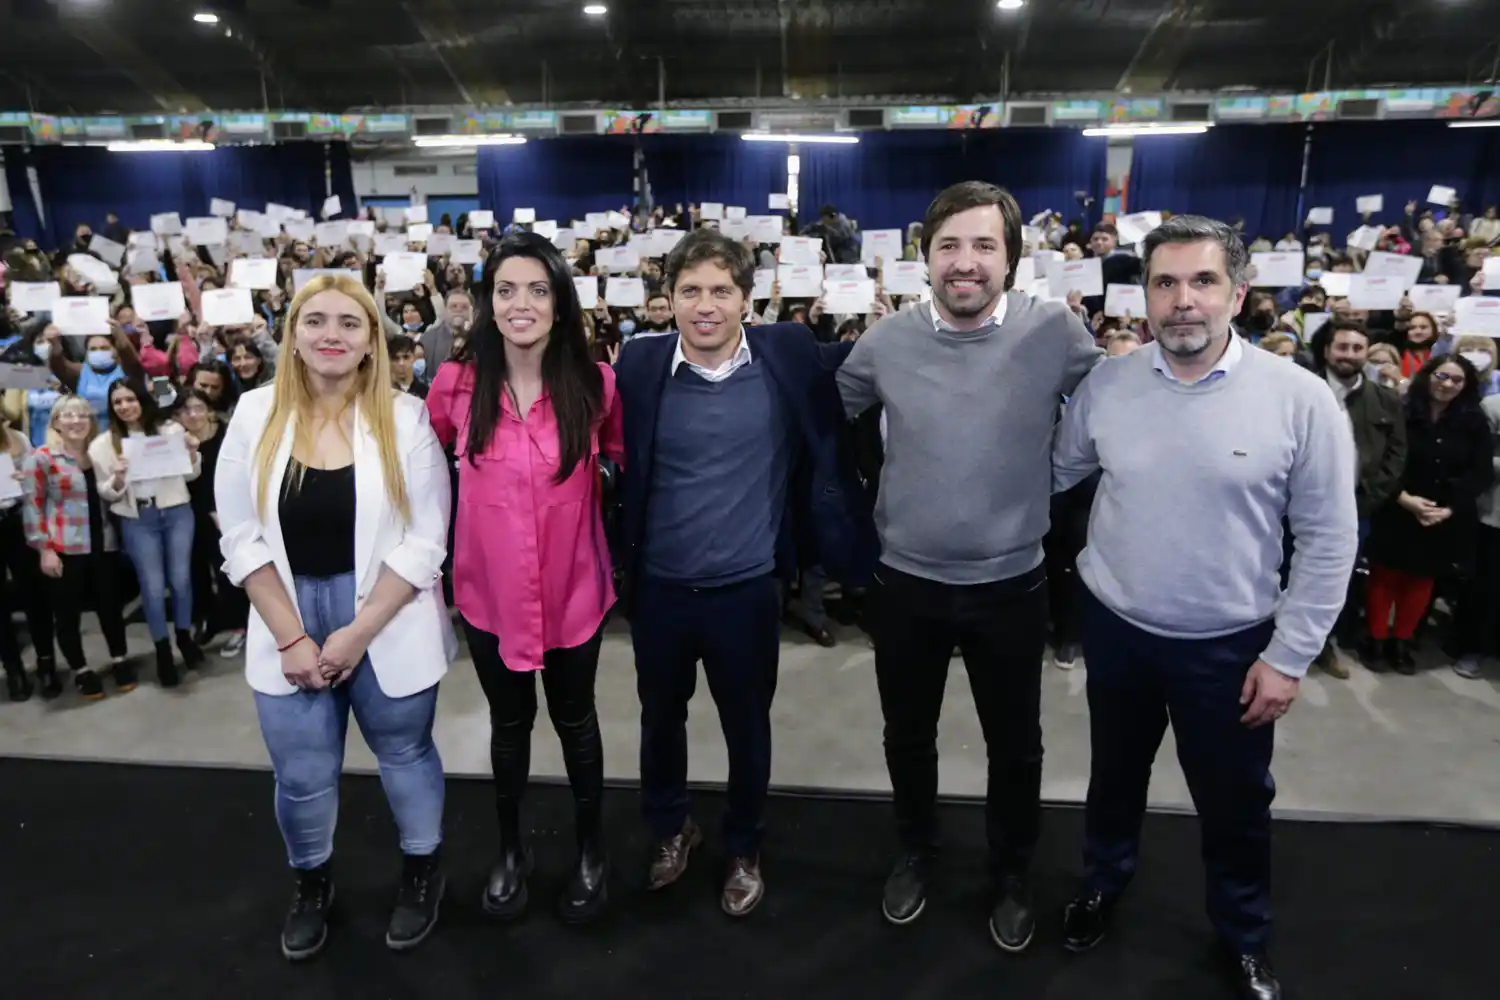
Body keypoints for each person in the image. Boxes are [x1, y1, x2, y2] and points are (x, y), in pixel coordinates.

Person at [1051, 215, 1359, 1000]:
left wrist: (1289, 655)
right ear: (1144, 295)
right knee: (1113, 782)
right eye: (1165, 283)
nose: (1183, 301)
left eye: (1202, 281)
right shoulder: (1109, 386)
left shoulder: (1300, 401)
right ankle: (1103, 883)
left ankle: (1243, 933)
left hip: (1231, 648)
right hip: (1118, 633)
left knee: (1234, 805)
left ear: (1239, 293)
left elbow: (1328, 539)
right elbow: (1052, 473)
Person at [836, 181, 1102, 950]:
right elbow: (829, 413)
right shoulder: (885, 341)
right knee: (907, 736)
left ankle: (1012, 869)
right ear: (925, 257)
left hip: (1011, 585)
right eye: (949, 244)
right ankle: (916, 849)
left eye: (985, 245)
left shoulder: (1055, 332)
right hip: (905, 583)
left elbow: (1118, 405)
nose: (966, 261)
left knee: (1015, 745)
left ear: (1012, 258)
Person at [614, 228, 869, 918]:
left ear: (746, 300)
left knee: (746, 726)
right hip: (660, 589)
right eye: (690, 291)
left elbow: (880, 359)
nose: (705, 306)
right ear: (666, 300)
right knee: (659, 721)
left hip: (749, 590)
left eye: (721, 291)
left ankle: (744, 846)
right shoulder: (636, 364)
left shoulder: (786, 354)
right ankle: (672, 829)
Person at [215, 273, 456, 960]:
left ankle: (421, 872)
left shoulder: (405, 419)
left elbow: (426, 538)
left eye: (350, 324)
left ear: (372, 342)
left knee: (406, 754)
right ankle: (311, 882)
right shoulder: (254, 415)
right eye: (315, 321)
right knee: (301, 775)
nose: (331, 335)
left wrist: (356, 633)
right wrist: (292, 636)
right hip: (285, 618)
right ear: (291, 337)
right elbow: (239, 535)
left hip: (386, 616)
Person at [427, 233, 624, 923]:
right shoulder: (455, 388)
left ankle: (592, 850)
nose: (522, 304)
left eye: (539, 290)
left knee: (577, 724)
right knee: (509, 728)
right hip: (490, 598)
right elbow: (427, 480)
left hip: (576, 593)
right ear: (487, 303)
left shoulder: (595, 384)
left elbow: (617, 459)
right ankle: (512, 850)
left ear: (560, 302)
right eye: (507, 290)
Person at [1361, 354, 1493, 674]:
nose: (1446, 384)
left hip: (1442, 513)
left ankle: (1402, 641)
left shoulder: (1474, 421)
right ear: (1427, 375)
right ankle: (1377, 639)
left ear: (1466, 385)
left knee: (1421, 582)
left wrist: (1448, 508)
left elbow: (1480, 472)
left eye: (1456, 380)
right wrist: (1403, 498)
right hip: (1397, 506)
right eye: (1441, 376)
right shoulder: (1401, 410)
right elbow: (1382, 461)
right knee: (1385, 576)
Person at [89, 380, 203, 686]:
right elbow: (107, 493)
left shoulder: (170, 431)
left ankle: (183, 636)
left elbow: (191, 473)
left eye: (130, 399)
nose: (125, 406)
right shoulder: (102, 445)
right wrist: (118, 477)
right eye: (118, 402)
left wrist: (192, 453)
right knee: (151, 587)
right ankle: (162, 649)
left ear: (142, 400)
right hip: (139, 518)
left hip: (176, 510)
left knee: (181, 579)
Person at [22, 395, 132, 700]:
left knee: (110, 606)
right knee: (67, 614)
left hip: (104, 543)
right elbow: (33, 506)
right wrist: (44, 549)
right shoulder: (42, 458)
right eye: (68, 416)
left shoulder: (97, 455)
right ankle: (81, 669)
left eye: (82, 415)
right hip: (65, 548)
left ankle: (120, 659)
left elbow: (110, 495)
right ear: (55, 422)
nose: (76, 421)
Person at [389, 334, 429, 399]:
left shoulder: (426, 393)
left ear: (414, 357)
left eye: (406, 357)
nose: (401, 363)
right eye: (395, 358)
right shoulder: (382, 391)